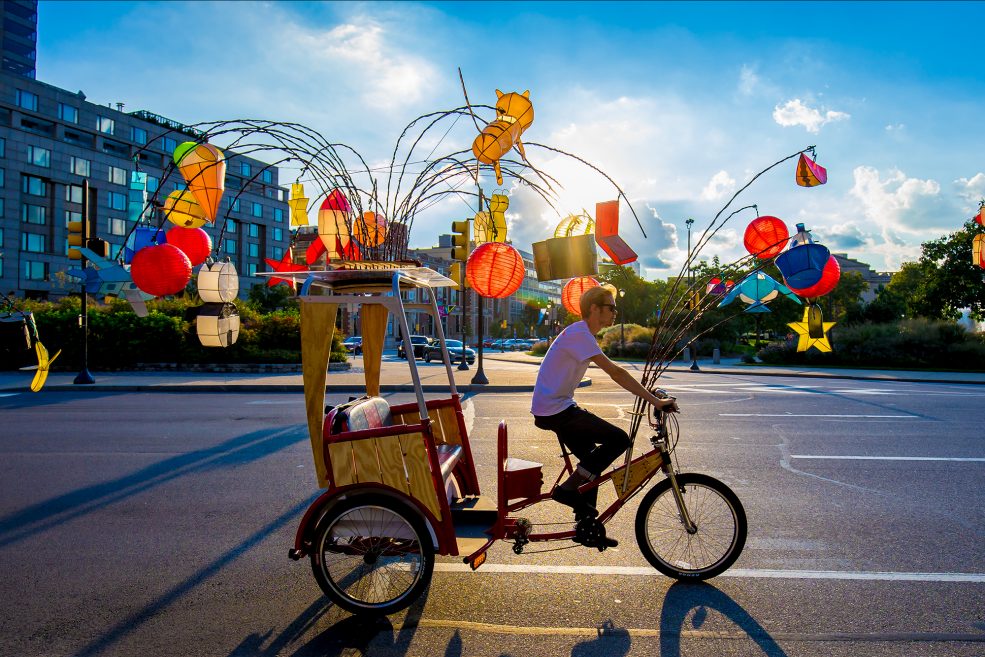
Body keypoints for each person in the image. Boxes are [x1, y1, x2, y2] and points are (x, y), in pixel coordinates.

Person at [531, 286, 679, 540]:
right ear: (594, 309)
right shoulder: (580, 333)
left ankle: (586, 526)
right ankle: (567, 492)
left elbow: (617, 374)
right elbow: (616, 372)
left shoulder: (581, 334)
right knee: (619, 440)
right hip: (555, 410)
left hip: (557, 406)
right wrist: (653, 400)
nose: (614, 313)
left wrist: (650, 394)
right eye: (611, 308)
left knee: (592, 460)